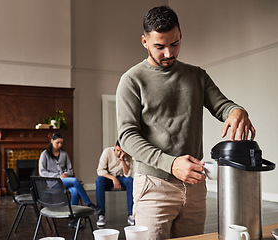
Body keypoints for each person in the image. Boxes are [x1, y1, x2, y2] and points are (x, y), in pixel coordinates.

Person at [116, 5, 256, 240]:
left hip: (194, 186)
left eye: (175, 44)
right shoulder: (131, 80)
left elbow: (224, 106)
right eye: (159, 47)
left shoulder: (197, 75)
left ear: (180, 35)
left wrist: (237, 111)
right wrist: (170, 164)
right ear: (144, 42)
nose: (169, 54)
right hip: (153, 185)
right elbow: (127, 136)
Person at [39, 132, 101, 228]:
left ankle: (73, 220)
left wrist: (66, 174)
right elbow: (42, 172)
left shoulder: (64, 154)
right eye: (57, 142)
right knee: (75, 181)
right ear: (51, 141)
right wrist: (58, 176)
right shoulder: (45, 154)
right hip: (53, 184)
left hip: (65, 181)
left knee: (75, 191)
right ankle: (90, 204)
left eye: (61, 143)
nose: (60, 145)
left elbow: (70, 169)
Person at [95, 140, 134, 227]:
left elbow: (127, 174)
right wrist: (113, 178)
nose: (119, 153)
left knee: (130, 181)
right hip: (108, 177)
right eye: (117, 150)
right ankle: (101, 215)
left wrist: (122, 160)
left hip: (121, 177)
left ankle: (131, 214)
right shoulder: (107, 152)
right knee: (99, 180)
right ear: (114, 147)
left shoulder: (127, 155)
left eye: (121, 151)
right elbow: (100, 170)